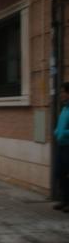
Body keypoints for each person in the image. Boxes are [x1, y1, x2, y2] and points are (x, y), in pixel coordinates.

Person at [53, 82, 69, 212]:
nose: (61, 94)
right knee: (59, 173)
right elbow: (60, 124)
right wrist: (57, 131)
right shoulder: (64, 108)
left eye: (63, 92)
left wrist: (63, 133)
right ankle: (64, 200)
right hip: (61, 145)